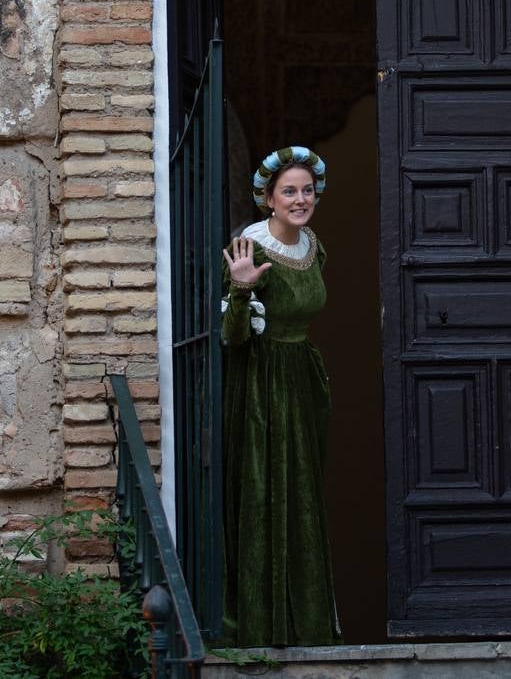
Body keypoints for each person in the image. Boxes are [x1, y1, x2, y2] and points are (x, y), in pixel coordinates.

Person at [220, 145, 338, 647]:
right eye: (288, 191)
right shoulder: (252, 249)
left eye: (306, 190)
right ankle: (261, 628)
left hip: (301, 379)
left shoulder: (313, 246)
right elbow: (233, 336)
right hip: (262, 383)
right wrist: (242, 289)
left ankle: (308, 622)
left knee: (305, 500)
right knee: (265, 494)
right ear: (268, 198)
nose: (300, 198)